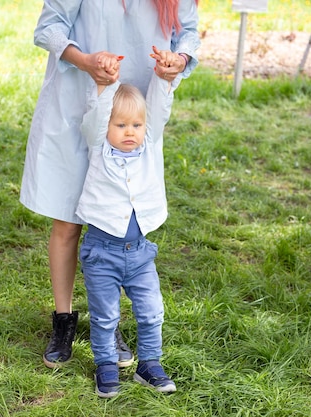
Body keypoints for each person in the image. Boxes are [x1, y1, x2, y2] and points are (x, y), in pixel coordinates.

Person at [20, 0, 200, 369]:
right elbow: (50, 28)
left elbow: (189, 33)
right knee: (67, 219)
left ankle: (108, 321)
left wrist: (179, 61)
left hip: (132, 112)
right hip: (75, 103)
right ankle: (63, 320)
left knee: (117, 224)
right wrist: (86, 61)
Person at [77, 47, 183, 398]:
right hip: (101, 254)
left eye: (136, 125)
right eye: (120, 125)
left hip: (140, 254)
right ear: (107, 126)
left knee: (152, 312)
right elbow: (98, 115)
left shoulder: (149, 146)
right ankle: (106, 366)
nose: (129, 132)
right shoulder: (99, 147)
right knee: (105, 316)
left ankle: (150, 365)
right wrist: (107, 84)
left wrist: (163, 77)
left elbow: (157, 110)